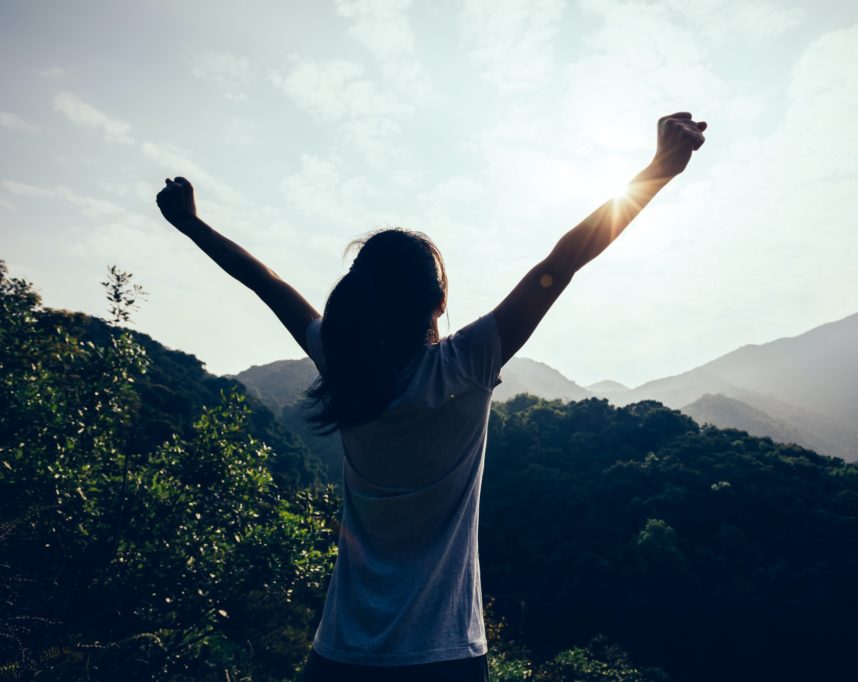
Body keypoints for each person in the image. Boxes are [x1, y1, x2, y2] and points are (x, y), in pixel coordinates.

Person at [156, 112, 707, 682]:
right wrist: (658, 170)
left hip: (343, 654)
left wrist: (191, 224)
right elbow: (561, 263)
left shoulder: (342, 364)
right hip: (446, 655)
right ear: (438, 303)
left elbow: (266, 283)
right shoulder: (468, 363)